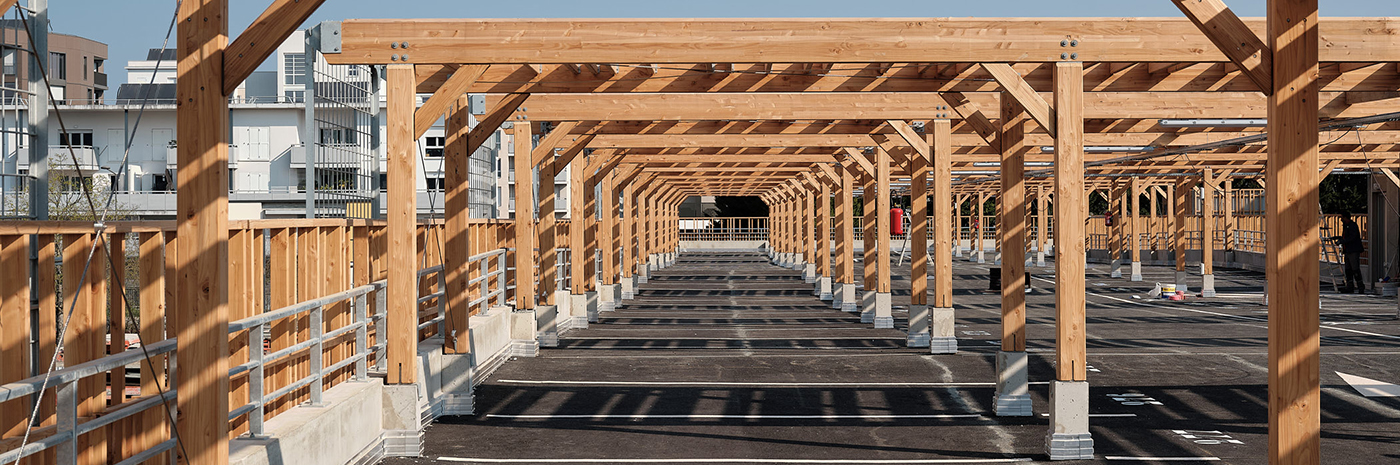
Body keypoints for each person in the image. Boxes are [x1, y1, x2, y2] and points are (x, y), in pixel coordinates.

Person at [1332, 216, 1366, 293]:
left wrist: (1342, 241)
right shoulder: (1346, 226)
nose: (1341, 219)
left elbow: (1352, 237)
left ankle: (1360, 286)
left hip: (1353, 250)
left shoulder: (1352, 225)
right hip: (1348, 250)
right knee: (1348, 269)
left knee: (1355, 268)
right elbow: (1346, 237)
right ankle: (1350, 287)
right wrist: (1339, 238)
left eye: (1342, 217)